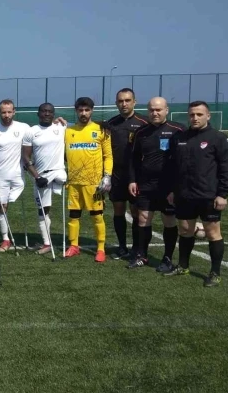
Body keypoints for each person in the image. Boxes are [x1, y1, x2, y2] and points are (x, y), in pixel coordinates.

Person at [164, 101, 228, 286]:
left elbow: (227, 169)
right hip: (184, 195)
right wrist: (172, 190)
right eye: (192, 114)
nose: (195, 118)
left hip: (208, 196)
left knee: (212, 233)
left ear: (208, 116)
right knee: (185, 231)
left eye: (199, 114)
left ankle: (215, 273)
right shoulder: (180, 137)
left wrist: (223, 194)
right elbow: (173, 167)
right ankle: (183, 266)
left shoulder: (218, 138)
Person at [126, 98, 184, 271]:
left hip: (168, 186)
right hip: (146, 184)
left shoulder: (178, 130)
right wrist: (132, 180)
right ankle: (142, 255)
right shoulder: (141, 132)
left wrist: (177, 187)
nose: (155, 113)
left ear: (166, 110)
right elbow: (134, 158)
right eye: (151, 110)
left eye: (158, 110)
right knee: (143, 219)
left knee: (169, 220)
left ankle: (167, 258)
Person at [64, 97, 113, 263]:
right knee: (73, 215)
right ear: (76, 111)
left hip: (94, 183)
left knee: (97, 216)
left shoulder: (101, 130)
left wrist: (107, 176)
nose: (83, 113)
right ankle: (74, 246)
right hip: (74, 183)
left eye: (87, 110)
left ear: (92, 110)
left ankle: (101, 248)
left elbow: (108, 156)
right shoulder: (68, 131)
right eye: (80, 110)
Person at [106, 88, 149, 259]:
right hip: (116, 175)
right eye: (120, 101)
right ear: (116, 103)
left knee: (136, 211)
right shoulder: (111, 123)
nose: (124, 104)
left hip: (136, 176)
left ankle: (137, 248)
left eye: (127, 100)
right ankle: (122, 246)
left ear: (134, 102)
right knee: (118, 210)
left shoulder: (144, 123)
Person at [21, 103, 67, 255]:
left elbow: (82, 125)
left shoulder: (61, 128)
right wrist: (37, 177)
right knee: (43, 210)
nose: (47, 114)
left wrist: (104, 124)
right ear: (38, 113)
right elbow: (26, 157)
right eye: (44, 111)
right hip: (41, 175)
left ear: (54, 114)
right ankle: (47, 243)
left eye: (50, 112)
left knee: (61, 177)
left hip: (58, 171)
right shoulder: (31, 131)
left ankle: (60, 180)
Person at [0, 99, 30, 251]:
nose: (6, 115)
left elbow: (40, 133)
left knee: (8, 202)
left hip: (19, 175)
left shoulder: (24, 128)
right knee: (2, 206)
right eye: (3, 112)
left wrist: (59, 122)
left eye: (9, 112)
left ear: (14, 112)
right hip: (0, 175)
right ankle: (5, 238)